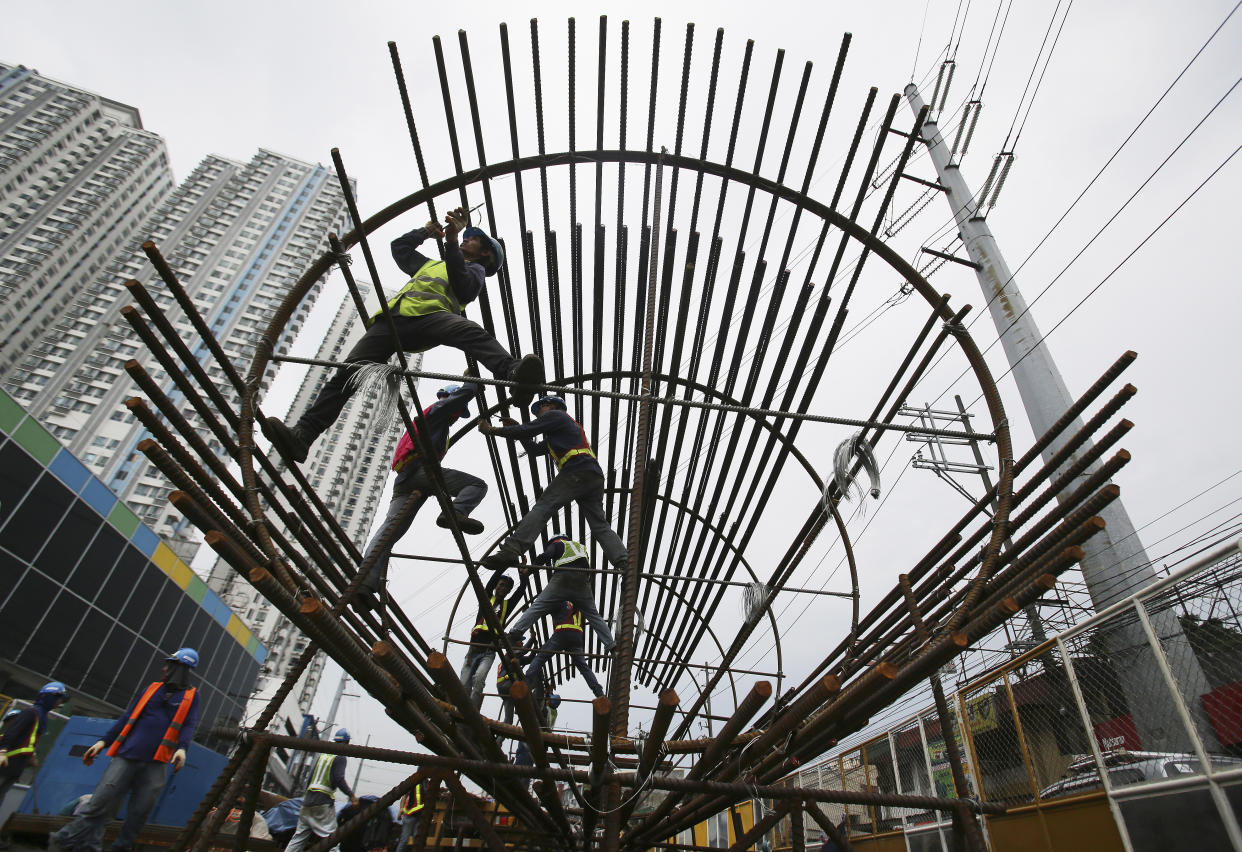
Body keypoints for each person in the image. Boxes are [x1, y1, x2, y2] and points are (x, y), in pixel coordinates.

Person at [263, 206, 545, 464]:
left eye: (473, 239)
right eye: (466, 237)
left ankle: (514, 373)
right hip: (391, 321)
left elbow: (463, 286)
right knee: (347, 374)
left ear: (485, 254)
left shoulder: (475, 270)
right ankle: (303, 437)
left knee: (470, 332)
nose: (466, 239)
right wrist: (425, 231)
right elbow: (399, 247)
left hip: (431, 320)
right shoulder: (431, 264)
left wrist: (450, 241)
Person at [49, 649, 201, 852]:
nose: (164, 669)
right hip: (128, 755)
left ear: (181, 668)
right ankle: (65, 839)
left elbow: (189, 724)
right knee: (99, 804)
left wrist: (182, 748)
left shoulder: (192, 696)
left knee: (140, 812)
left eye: (169, 665)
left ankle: (120, 848)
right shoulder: (152, 689)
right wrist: (104, 741)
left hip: (156, 761)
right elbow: (127, 716)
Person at [355, 382, 488, 609]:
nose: (457, 417)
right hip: (421, 472)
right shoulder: (437, 411)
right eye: (458, 410)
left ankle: (364, 586)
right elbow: (455, 400)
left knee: (390, 532)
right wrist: (472, 386)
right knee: (477, 486)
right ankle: (455, 513)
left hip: (406, 479)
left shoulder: (438, 424)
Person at [478, 396, 627, 570]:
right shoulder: (560, 430)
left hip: (576, 470)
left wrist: (491, 430)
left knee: (543, 507)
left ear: (551, 406)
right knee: (599, 524)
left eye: (539, 409)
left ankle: (511, 551)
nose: (538, 414)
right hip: (592, 476)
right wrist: (516, 430)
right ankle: (623, 561)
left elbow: (528, 429)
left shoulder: (557, 415)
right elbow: (533, 449)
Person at [505, 536, 615, 650]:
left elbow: (546, 556)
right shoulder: (581, 547)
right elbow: (585, 568)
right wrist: (577, 604)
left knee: (538, 606)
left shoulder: (558, 544)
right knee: (593, 615)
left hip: (562, 577)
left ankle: (515, 633)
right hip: (582, 582)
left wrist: (528, 570)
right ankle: (611, 644)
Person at [0, 682, 67, 832]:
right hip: (5, 763)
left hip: (15, 766)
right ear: (48, 697)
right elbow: (13, 732)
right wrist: (2, 751)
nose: (59, 701)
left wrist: (32, 756)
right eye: (57, 697)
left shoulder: (41, 716)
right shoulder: (32, 713)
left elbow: (30, 740)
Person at [460, 571, 529, 711]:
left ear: (509, 591)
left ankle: (472, 712)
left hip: (489, 651)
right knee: (464, 683)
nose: (503, 588)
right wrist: (503, 565)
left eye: (506, 587)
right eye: (501, 585)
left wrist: (523, 575)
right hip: (473, 648)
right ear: (496, 586)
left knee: (479, 679)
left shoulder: (507, 606)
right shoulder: (486, 598)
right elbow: (489, 583)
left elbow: (521, 590)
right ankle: (462, 709)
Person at [285, 728, 359, 852]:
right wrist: (351, 796)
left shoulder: (323, 755)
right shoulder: (340, 757)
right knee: (332, 840)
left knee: (298, 838)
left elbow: (309, 779)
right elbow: (338, 779)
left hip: (308, 800)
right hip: (322, 801)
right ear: (346, 743)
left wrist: (306, 797)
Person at [524, 600, 607, 700]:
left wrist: (528, 610)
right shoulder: (578, 605)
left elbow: (543, 608)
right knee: (583, 667)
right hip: (577, 636)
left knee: (541, 657)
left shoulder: (561, 601)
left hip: (562, 632)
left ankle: (526, 683)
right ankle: (599, 694)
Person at [394, 779, 428, 850]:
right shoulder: (413, 782)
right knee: (404, 840)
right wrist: (401, 809)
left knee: (416, 840)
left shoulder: (428, 784)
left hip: (420, 816)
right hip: (410, 815)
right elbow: (405, 796)